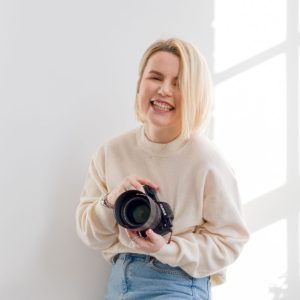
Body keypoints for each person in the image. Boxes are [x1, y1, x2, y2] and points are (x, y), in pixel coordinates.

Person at [76, 37, 249, 300]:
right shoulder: (111, 152)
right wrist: (111, 200)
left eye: (178, 83)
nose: (164, 90)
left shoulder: (207, 160)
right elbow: (91, 236)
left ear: (195, 93)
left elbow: (230, 242)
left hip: (179, 282)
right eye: (155, 77)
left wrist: (168, 247)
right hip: (119, 280)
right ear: (139, 84)